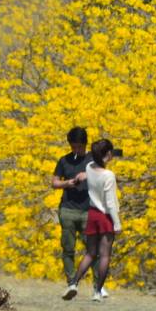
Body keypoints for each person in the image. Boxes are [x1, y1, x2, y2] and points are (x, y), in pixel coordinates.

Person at [69, 138, 121, 302]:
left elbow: (90, 170)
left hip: (92, 214)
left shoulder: (89, 167)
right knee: (104, 256)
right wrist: (117, 222)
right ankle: (97, 292)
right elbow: (110, 202)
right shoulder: (109, 175)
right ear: (108, 154)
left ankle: (73, 284)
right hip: (105, 216)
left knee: (90, 253)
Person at [52, 127, 91, 296]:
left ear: (85, 145)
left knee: (93, 249)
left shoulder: (92, 160)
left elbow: (106, 173)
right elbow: (54, 182)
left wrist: (87, 174)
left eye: (79, 147)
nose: (76, 150)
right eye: (73, 146)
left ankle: (98, 286)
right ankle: (71, 283)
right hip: (67, 210)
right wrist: (66, 183)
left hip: (88, 211)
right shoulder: (64, 161)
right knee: (68, 248)